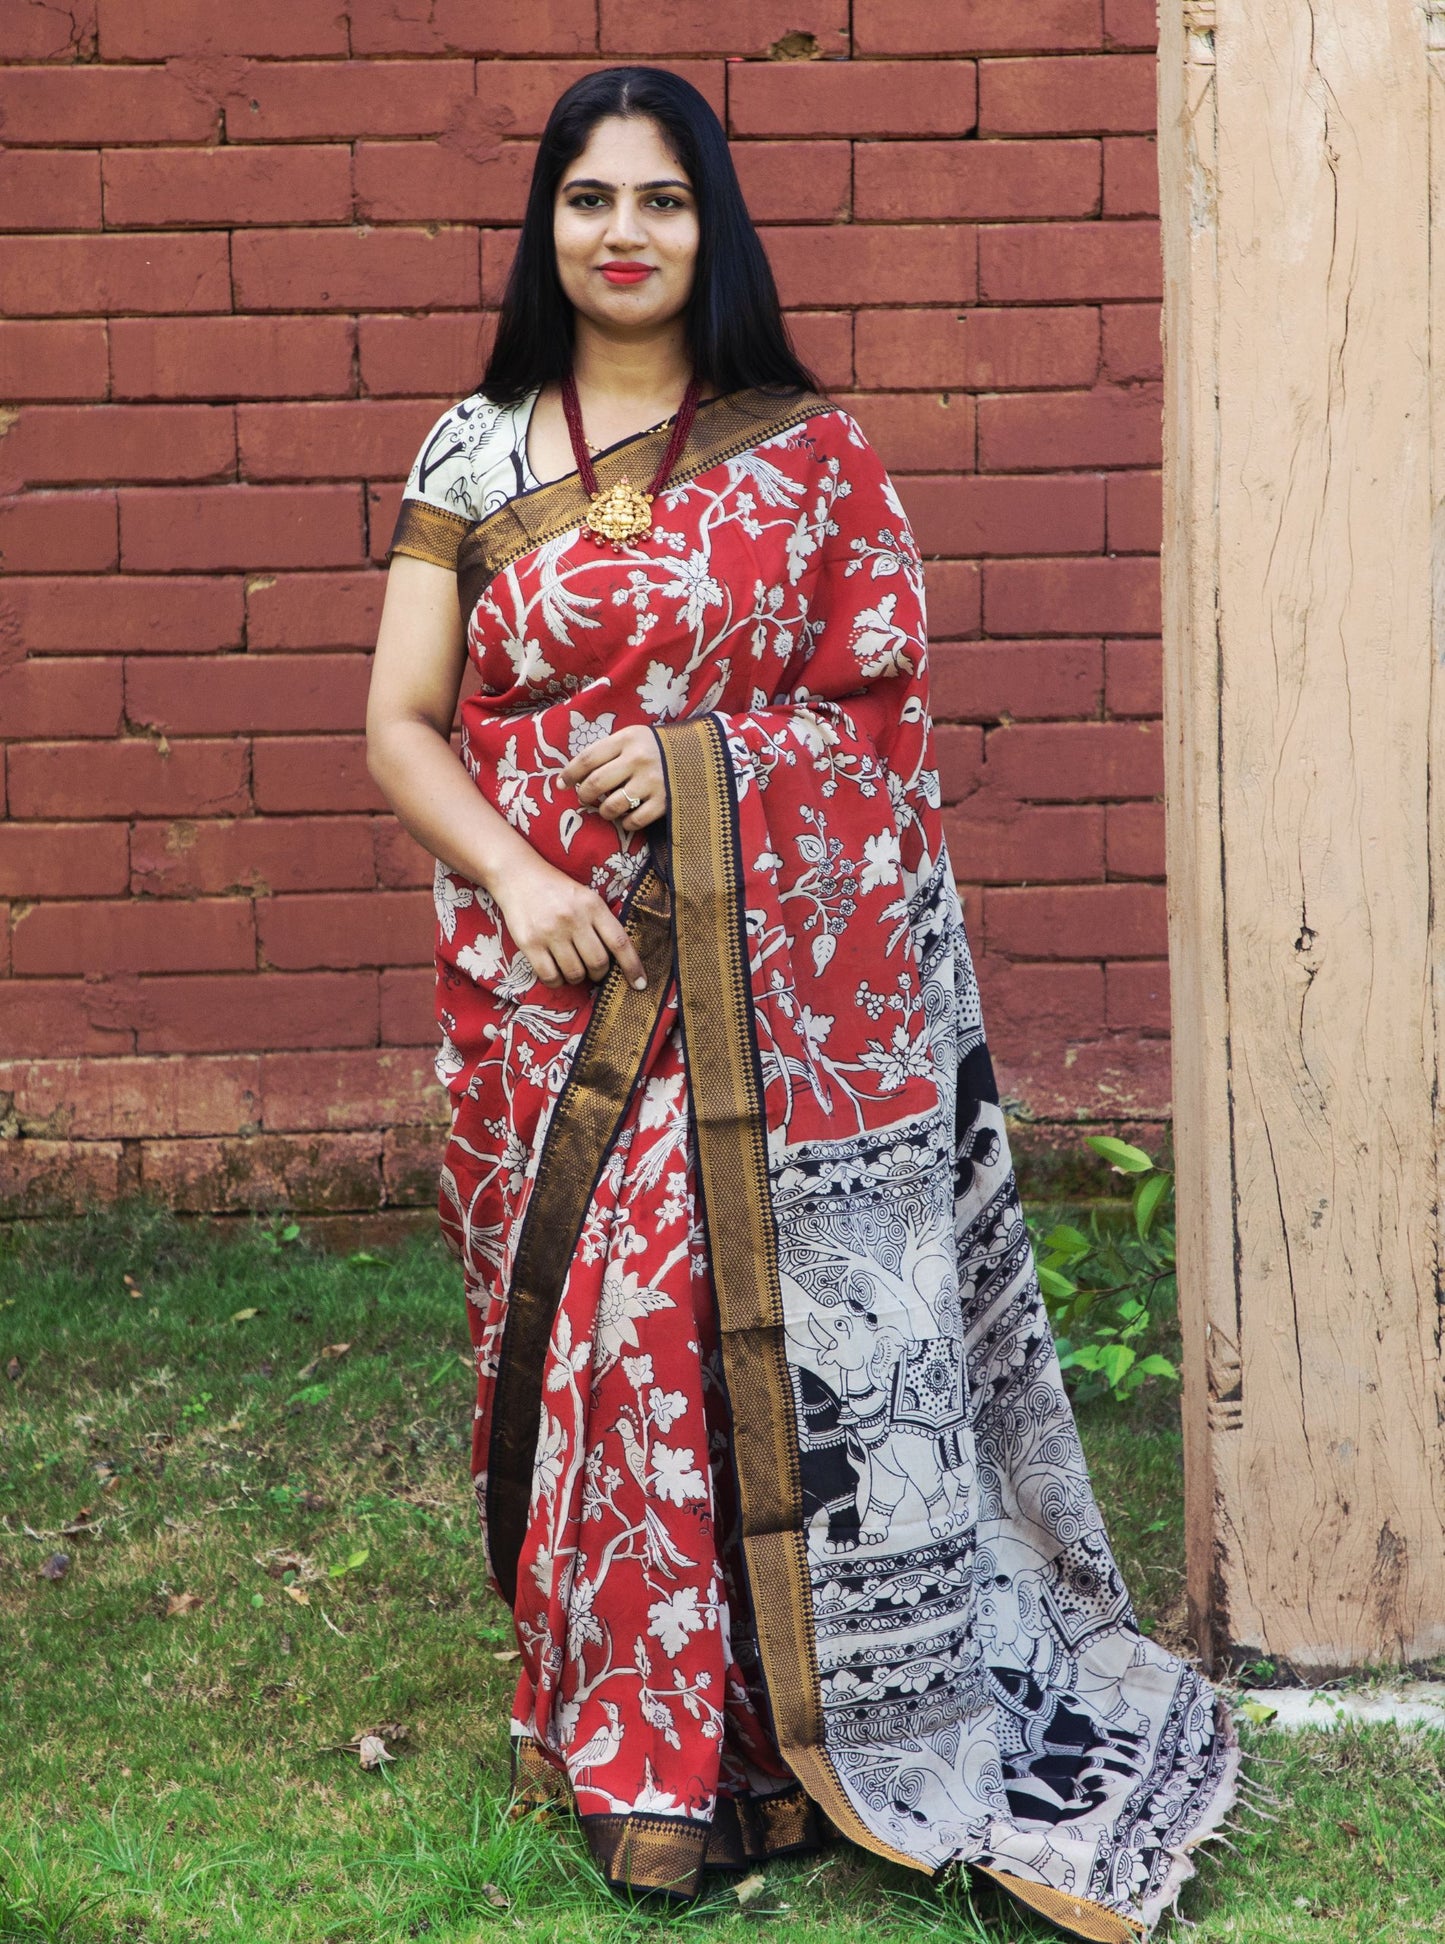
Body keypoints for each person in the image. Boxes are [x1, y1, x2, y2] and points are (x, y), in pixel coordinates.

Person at [365, 64, 1237, 1940]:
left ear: (712, 227)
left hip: (763, 993)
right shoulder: (470, 450)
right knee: (587, 1358)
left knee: (695, 1331)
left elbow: (877, 728)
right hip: (544, 995)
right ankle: (609, 1732)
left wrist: (697, 766)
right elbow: (399, 722)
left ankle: (748, 1750)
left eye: (659, 202)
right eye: (588, 199)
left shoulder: (812, 457)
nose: (620, 233)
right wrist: (518, 879)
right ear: (546, 225)